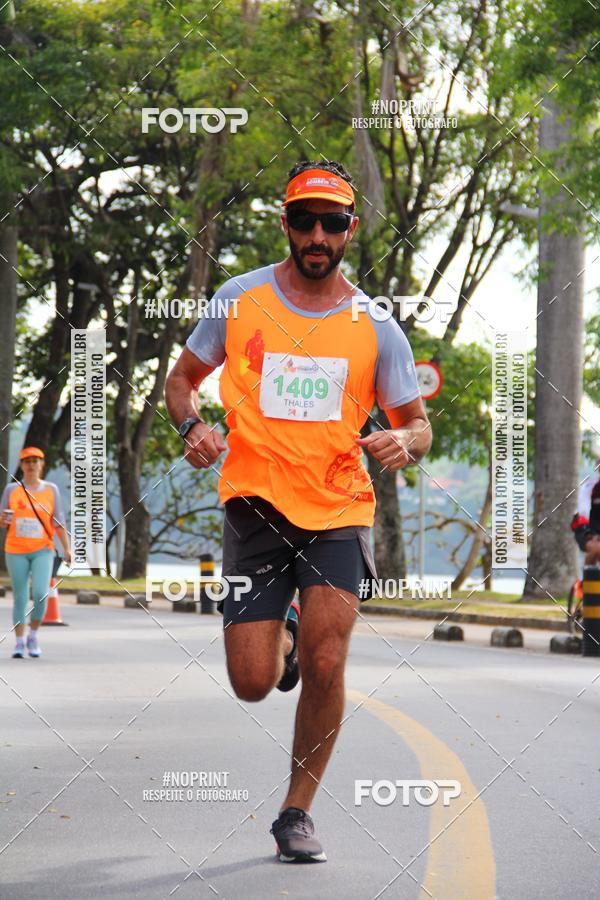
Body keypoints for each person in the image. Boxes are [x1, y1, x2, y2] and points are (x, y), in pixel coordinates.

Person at [165, 160, 431, 862]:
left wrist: (402, 440)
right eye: (306, 220)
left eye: (333, 222)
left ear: (349, 230)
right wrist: (193, 427)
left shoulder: (376, 326)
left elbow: (418, 423)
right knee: (253, 682)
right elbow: (182, 381)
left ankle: (296, 811)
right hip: (255, 505)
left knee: (328, 655)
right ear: (286, 223)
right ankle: (277, 630)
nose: (319, 234)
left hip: (340, 507)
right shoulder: (239, 298)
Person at [0, 447, 71, 658]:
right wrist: (3, 520)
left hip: (43, 550)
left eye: (35, 461)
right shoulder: (12, 490)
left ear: (42, 465)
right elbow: (2, 518)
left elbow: (58, 521)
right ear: (22, 465)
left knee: (41, 594)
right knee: (20, 597)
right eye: (27, 461)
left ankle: (33, 634)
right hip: (15, 550)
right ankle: (19, 642)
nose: (31, 465)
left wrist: (67, 549)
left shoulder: (51, 490)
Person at [571, 457, 600, 565]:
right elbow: (583, 513)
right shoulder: (590, 487)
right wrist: (592, 536)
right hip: (585, 529)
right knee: (595, 548)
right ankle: (588, 579)